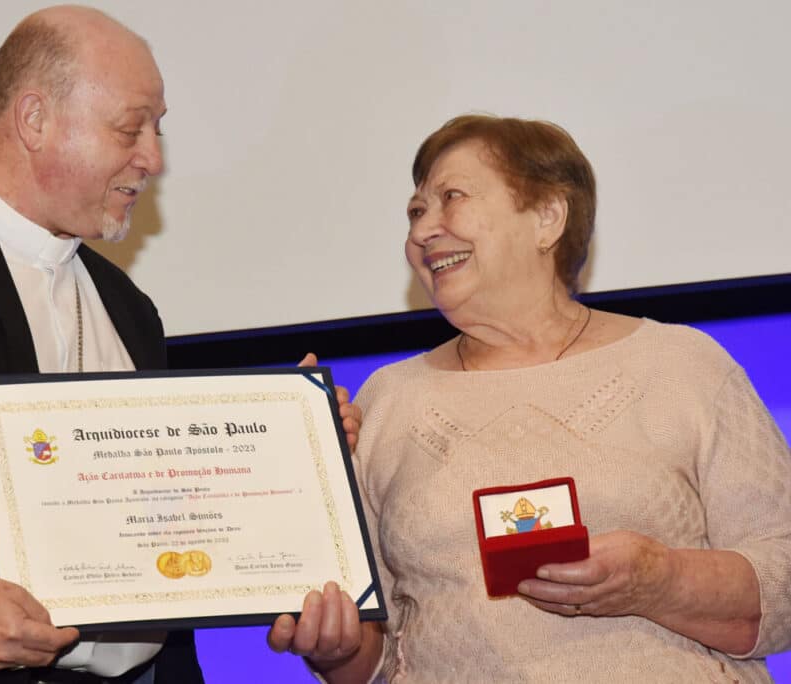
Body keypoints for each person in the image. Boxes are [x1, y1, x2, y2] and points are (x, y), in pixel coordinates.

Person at [0, 6, 359, 683]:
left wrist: (286, 450)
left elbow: (162, 517)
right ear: (35, 120)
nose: (154, 159)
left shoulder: (129, 310)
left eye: (157, 130)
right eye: (130, 127)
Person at [267, 114, 791, 682]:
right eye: (416, 212)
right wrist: (337, 650)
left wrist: (659, 579)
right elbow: (379, 655)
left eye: (452, 198)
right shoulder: (388, 399)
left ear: (547, 217)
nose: (422, 231)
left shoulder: (683, 364)